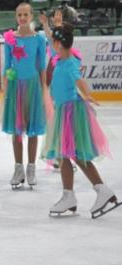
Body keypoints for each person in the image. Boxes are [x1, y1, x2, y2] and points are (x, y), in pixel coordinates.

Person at [41, 23, 119, 219]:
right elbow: (51, 40)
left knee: (71, 153)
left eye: (54, 42)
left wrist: (87, 94)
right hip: (64, 110)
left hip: (71, 112)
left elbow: (79, 80)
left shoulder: (69, 63)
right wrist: (46, 25)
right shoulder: (61, 58)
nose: (52, 45)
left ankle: (95, 191)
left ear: (60, 44)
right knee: (66, 154)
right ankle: (79, 194)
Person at [1, 2, 46, 189]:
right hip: (14, 87)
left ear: (31, 16)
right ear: (16, 17)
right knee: (17, 129)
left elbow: (42, 66)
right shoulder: (10, 38)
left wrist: (44, 90)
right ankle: (18, 168)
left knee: (33, 128)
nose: (22, 18)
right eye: (19, 15)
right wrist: (5, 86)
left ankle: (31, 167)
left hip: (33, 86)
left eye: (26, 14)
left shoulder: (39, 39)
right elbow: (7, 65)